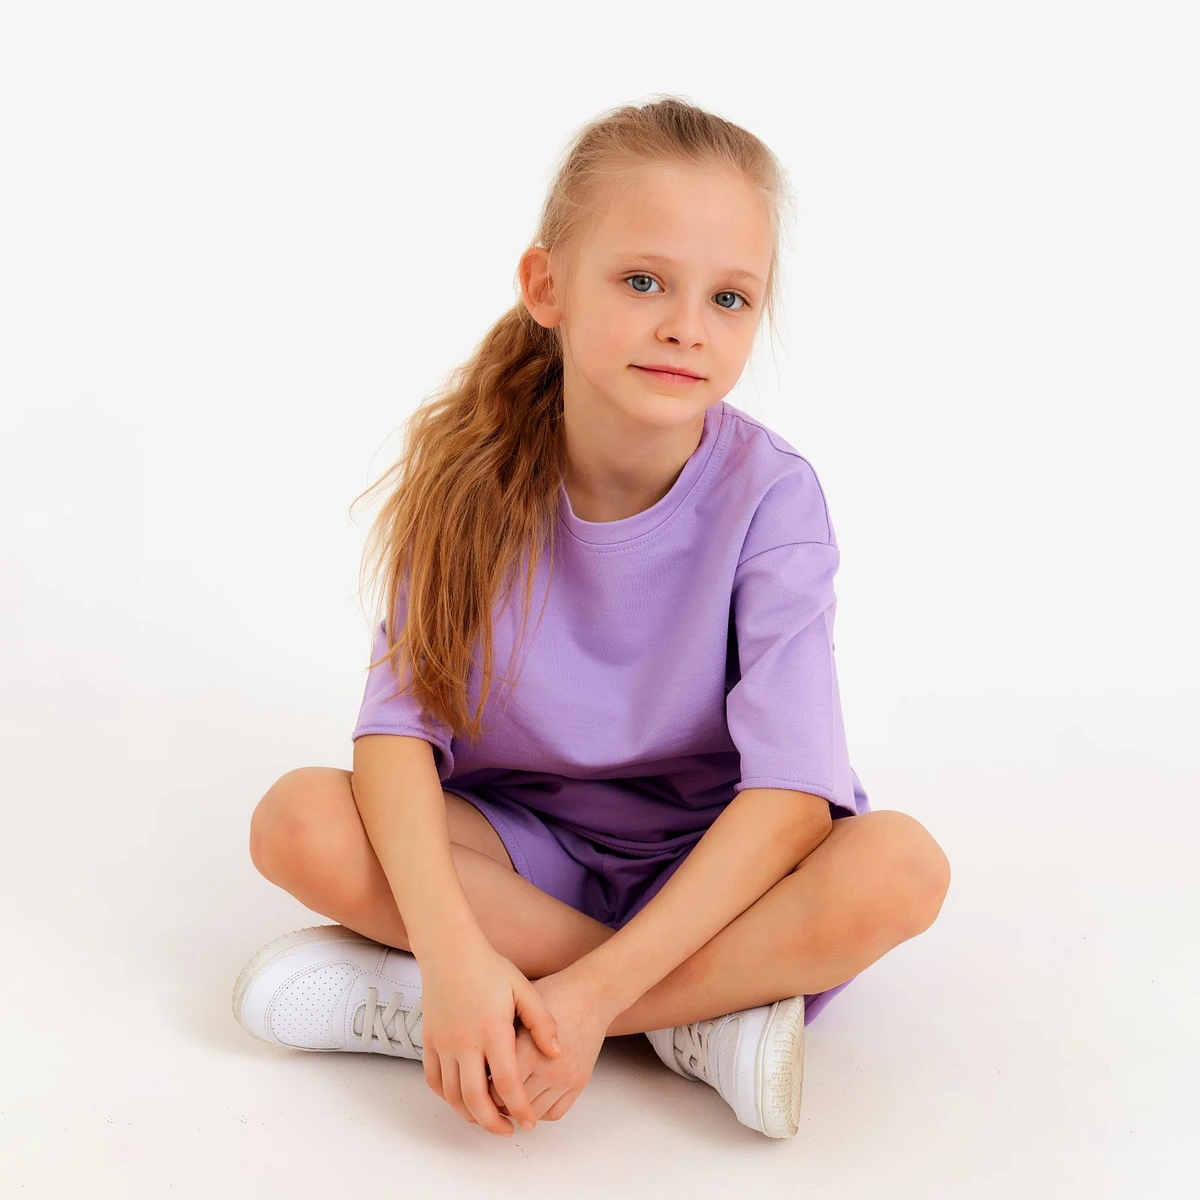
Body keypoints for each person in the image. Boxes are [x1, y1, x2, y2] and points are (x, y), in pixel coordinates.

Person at [232, 96, 951, 1142]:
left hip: (714, 868)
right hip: (524, 848)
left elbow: (793, 801)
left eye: (730, 298)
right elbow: (396, 736)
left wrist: (593, 994)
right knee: (300, 820)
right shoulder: (468, 475)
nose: (686, 326)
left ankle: (526, 1011)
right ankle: (696, 1019)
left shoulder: (773, 498)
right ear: (548, 287)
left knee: (901, 869)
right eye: (643, 281)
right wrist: (453, 950)